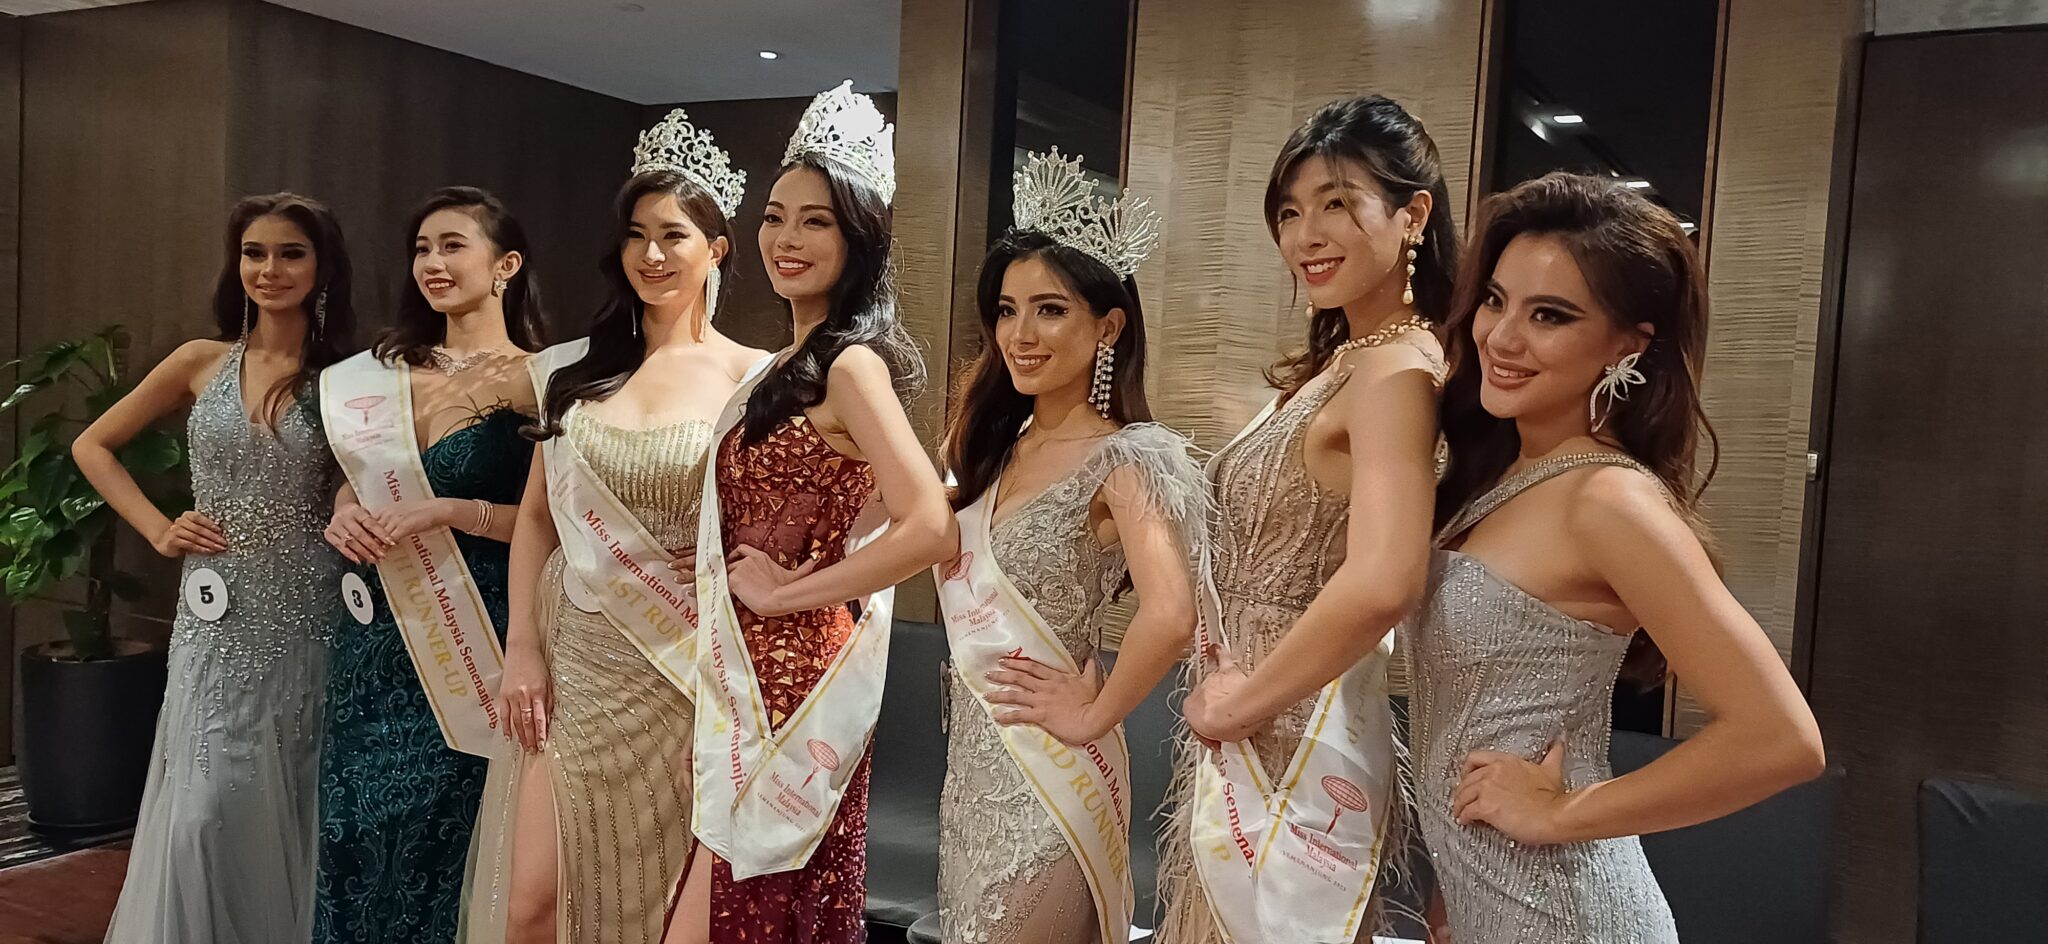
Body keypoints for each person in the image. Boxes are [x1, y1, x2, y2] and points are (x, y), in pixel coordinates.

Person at [1409, 171, 1824, 942]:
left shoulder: (1609, 501)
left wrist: (1562, 813)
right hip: (1488, 908)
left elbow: (1781, 739)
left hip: (1568, 914)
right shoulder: (1504, 478)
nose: (1502, 336)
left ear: (1629, 344)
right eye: (1496, 300)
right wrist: (1452, 899)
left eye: (1550, 315)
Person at [1161, 95, 1458, 943]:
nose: (1305, 235)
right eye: (1290, 212)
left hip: (1294, 733)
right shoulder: (1349, 360)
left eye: (1336, 203)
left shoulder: (1397, 370)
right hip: (1253, 720)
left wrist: (1241, 705)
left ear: (1413, 215)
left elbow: (1385, 579)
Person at [684, 81, 956, 944]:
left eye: (816, 222)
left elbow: (930, 525)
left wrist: (789, 595)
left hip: (798, 675)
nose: (787, 240)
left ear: (858, 239)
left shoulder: (852, 366)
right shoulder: (780, 367)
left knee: (752, 901)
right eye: (774, 218)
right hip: (741, 662)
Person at [935, 150, 1206, 944]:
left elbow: (1173, 613)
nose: (1019, 334)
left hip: (1052, 781)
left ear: (1108, 325)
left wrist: (1093, 715)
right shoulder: (989, 445)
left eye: (1049, 310)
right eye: (1006, 310)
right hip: (973, 769)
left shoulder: (1126, 458)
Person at [77, 192, 357, 944]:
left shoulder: (349, 377)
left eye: (291, 253)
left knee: (294, 799)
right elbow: (92, 446)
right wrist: (158, 528)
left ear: (323, 266)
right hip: (217, 616)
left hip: (313, 614)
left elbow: (363, 482)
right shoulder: (198, 361)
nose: (269, 270)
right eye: (254, 253)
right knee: (202, 812)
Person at [314, 186, 544, 943]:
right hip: (376, 638)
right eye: (421, 249)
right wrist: (344, 509)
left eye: (452, 246)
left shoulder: (540, 379)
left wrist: (451, 511)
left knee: (448, 837)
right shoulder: (377, 375)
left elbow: (557, 524)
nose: (432, 263)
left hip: (478, 631)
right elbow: (359, 474)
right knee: (355, 833)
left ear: (506, 265)